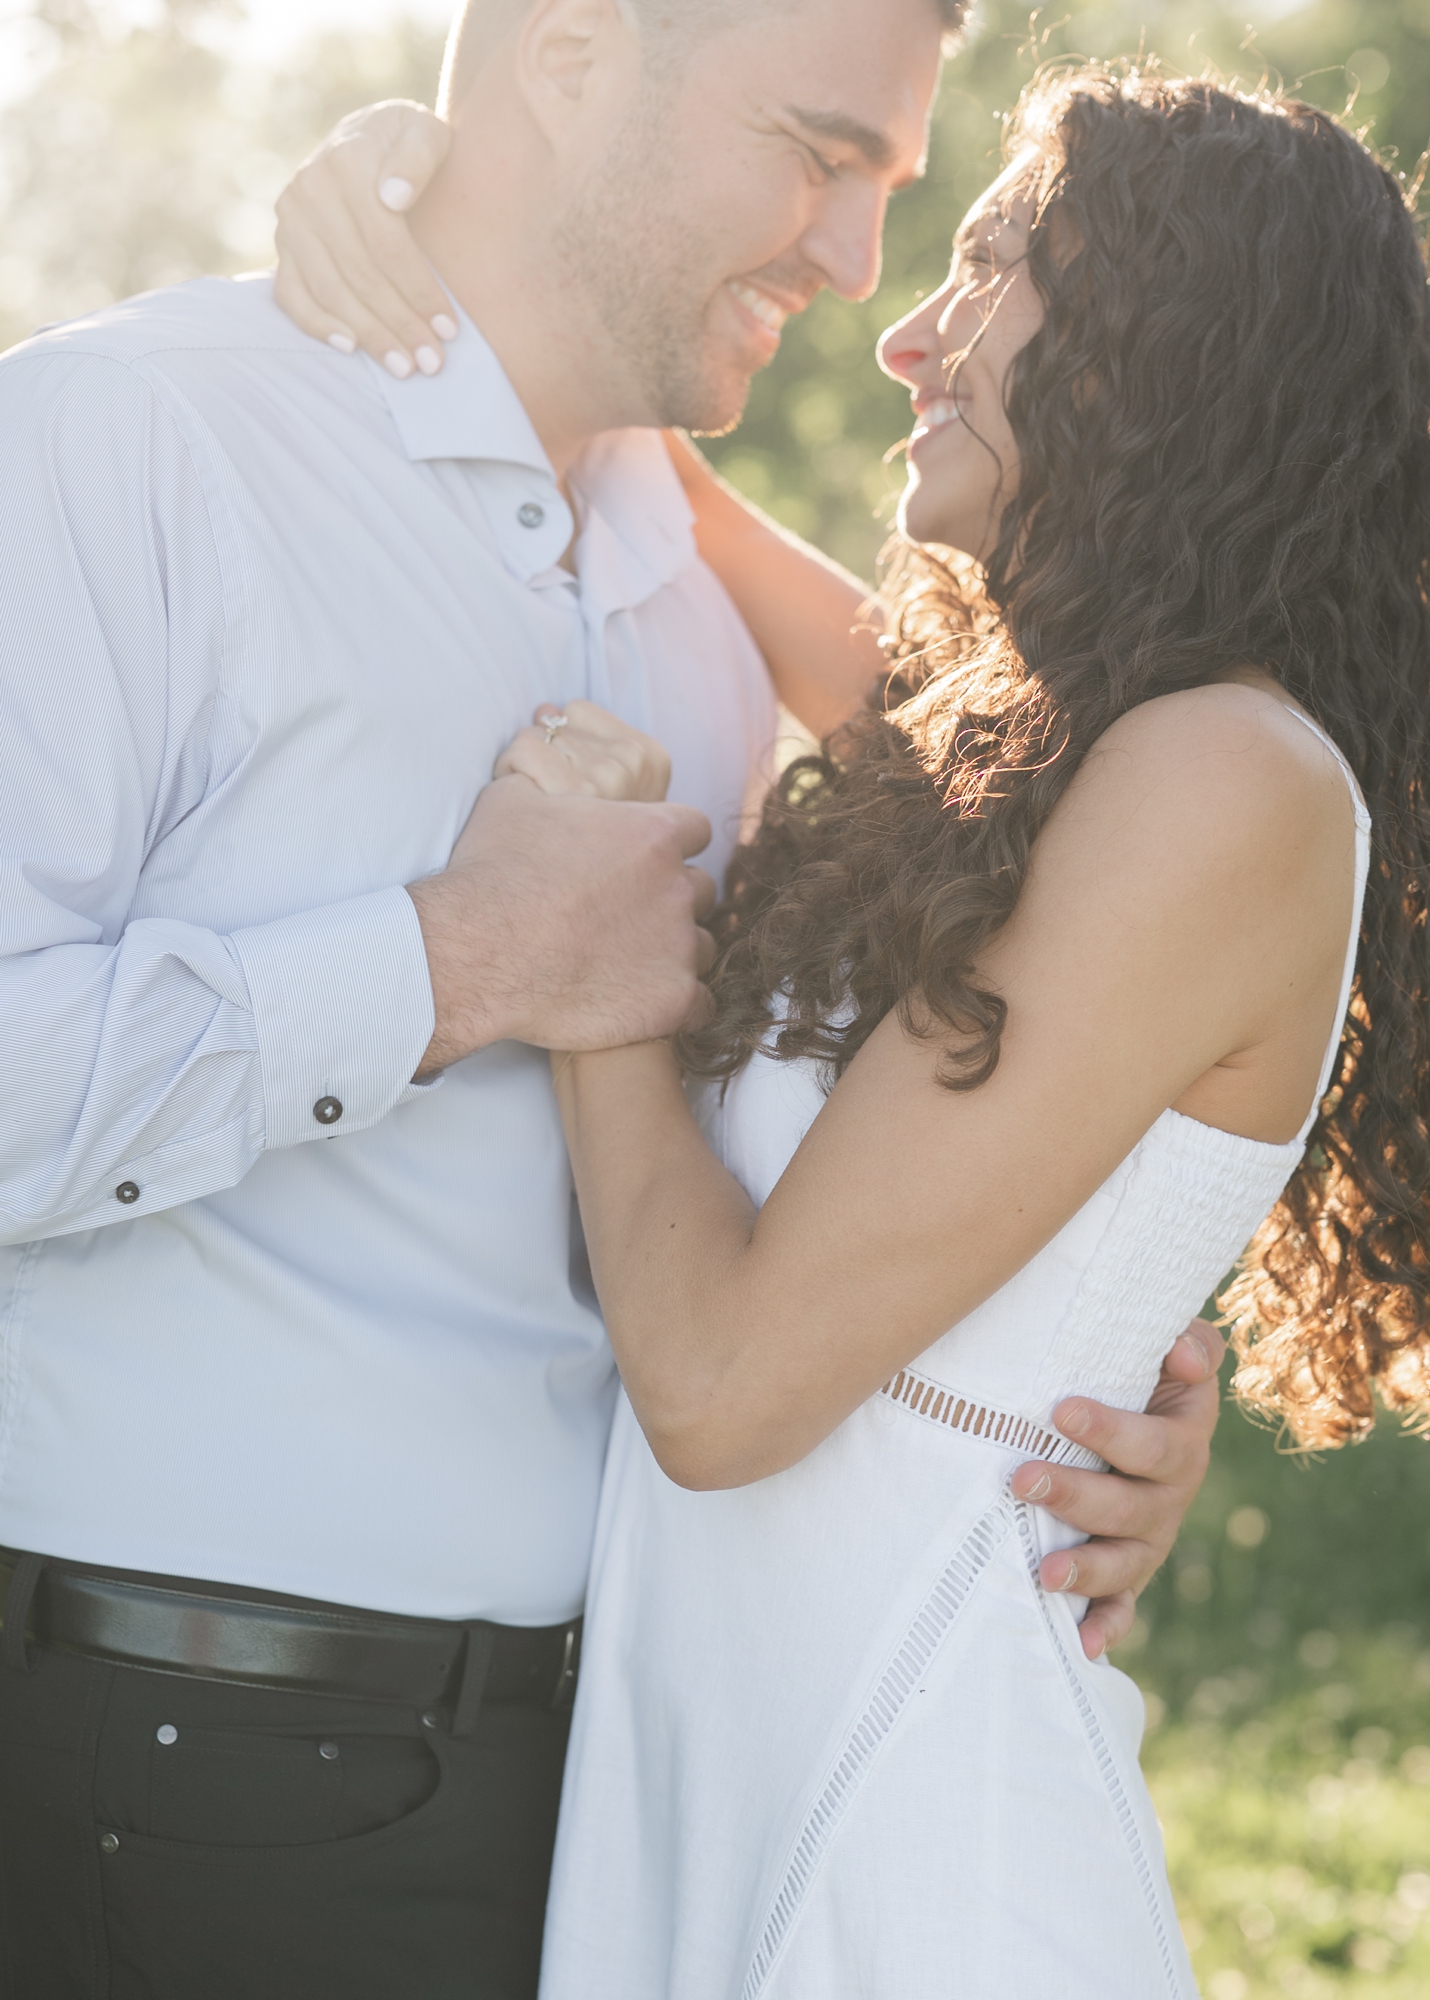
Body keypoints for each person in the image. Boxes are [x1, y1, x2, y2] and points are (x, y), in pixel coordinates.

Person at [0, 4, 1220, 1996]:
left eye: (893, 195)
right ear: (568, 51)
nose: (854, 264)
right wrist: (453, 959)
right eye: (819, 153)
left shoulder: (697, 593)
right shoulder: (123, 444)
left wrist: (1088, 1385)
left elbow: (1123, 925)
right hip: (187, 1766)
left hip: (612, 1782)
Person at [284, 58, 1430, 1997]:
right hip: (733, 1800)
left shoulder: (1226, 780)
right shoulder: (1034, 759)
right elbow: (649, 450)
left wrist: (597, 976)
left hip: (914, 1859)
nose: (914, 329)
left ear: (1163, 349)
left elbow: (725, 1388)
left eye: (1000, 263)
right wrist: (404, 173)